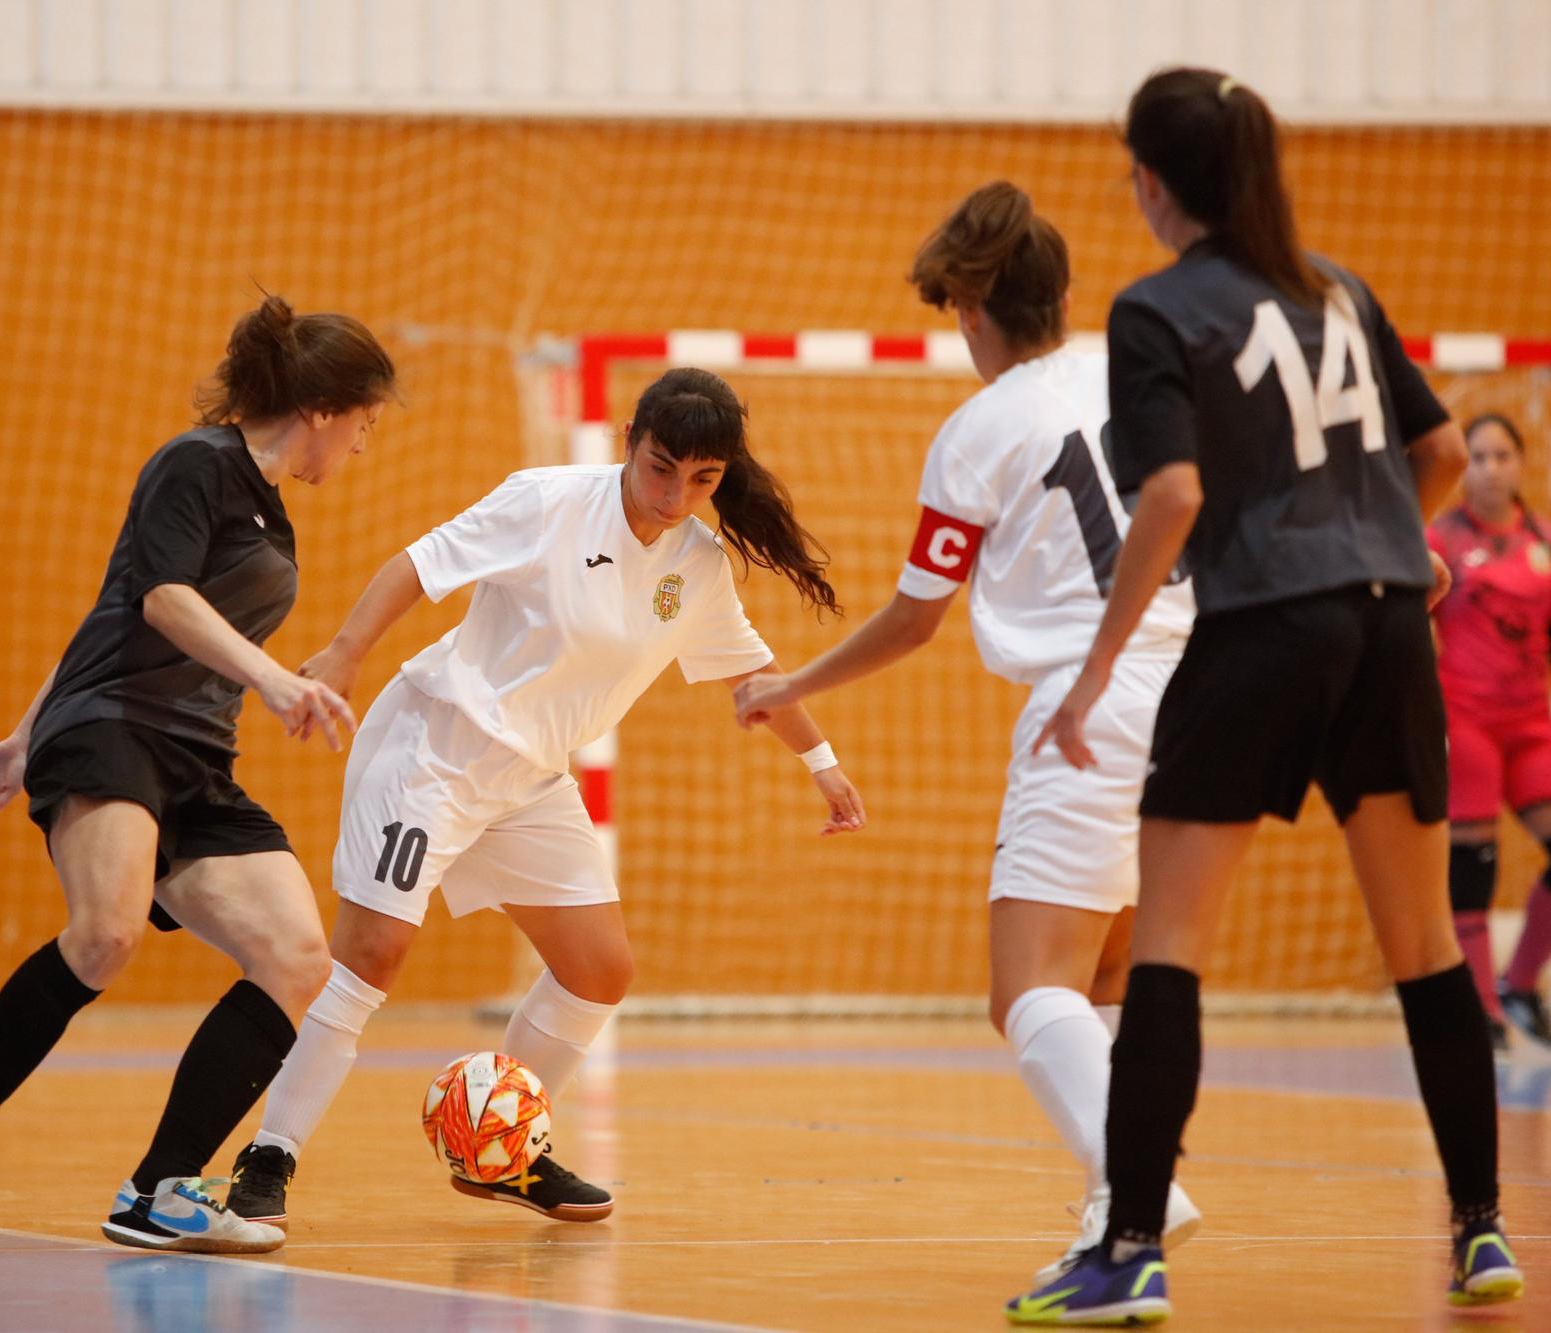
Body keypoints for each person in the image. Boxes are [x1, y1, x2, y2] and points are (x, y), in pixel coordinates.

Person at [1003, 69, 1519, 1325]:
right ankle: (1481, 1232)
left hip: (1263, 633)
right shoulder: (1336, 285)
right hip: (1392, 628)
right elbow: (1441, 450)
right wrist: (1398, 542)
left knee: (1169, 952)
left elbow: (1170, 498)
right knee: (1420, 954)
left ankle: (1128, 1248)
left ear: (1151, 178)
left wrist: (1089, 671)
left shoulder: (1155, 309)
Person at [219, 367, 866, 1228]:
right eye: (661, 467)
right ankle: (268, 1157)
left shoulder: (698, 566)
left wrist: (821, 761)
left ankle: (503, 1151)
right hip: (436, 746)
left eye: (702, 480)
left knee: (601, 969)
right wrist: (342, 653)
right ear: (630, 441)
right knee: (370, 955)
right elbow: (420, 563)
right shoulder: (551, 499)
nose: (676, 496)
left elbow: (753, 674)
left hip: (530, 780)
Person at [733, 181, 1200, 1285]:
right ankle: (1118, 1239)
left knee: (1026, 985)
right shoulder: (1137, 374)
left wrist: (789, 681)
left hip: (1090, 701)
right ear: (1063, 294)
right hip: (1203, 687)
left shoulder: (979, 428)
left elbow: (912, 617)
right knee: (1111, 972)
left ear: (972, 312)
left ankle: (1138, 1190)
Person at [0, 294, 396, 1256]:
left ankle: (157, 1189)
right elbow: (154, 601)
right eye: (363, 424)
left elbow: (107, 604)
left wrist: (23, 732)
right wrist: (269, 677)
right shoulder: (198, 462)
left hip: (195, 755)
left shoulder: (274, 515)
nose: (360, 447)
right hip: (112, 730)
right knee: (106, 934)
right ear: (324, 407)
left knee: (299, 959)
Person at [1429, 413, 1551, 1051]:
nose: (1491, 467)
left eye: (1503, 455)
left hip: (1532, 724)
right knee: (1473, 863)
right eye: (1478, 456)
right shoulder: (1442, 539)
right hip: (1467, 721)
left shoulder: (1543, 541)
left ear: (1521, 463)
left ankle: (1520, 983)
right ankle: (1481, 1012)